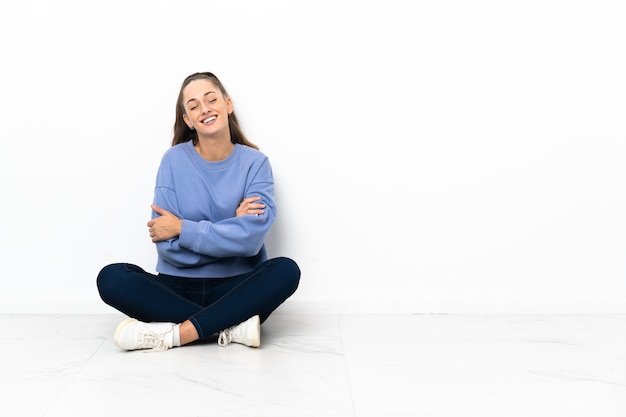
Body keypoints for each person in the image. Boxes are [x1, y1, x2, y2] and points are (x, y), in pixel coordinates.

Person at [96, 72, 300, 352]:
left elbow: (251, 241)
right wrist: (233, 227)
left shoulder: (255, 163)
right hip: (177, 288)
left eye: (211, 99)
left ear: (227, 105)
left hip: (236, 286)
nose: (204, 109)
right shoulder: (173, 160)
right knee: (112, 277)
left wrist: (182, 228)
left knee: (286, 270)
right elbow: (167, 247)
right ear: (188, 120)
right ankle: (230, 324)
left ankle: (177, 334)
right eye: (193, 106)